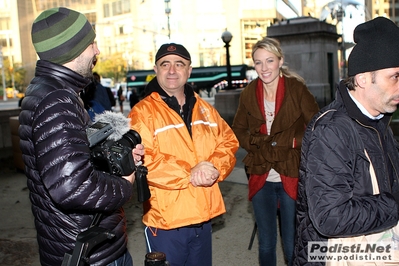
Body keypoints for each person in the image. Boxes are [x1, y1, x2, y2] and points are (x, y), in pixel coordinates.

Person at [18, 7, 144, 266]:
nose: (97, 50)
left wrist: (114, 158)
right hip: (91, 252)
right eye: (91, 43)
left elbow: (68, 162)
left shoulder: (47, 90)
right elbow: (72, 186)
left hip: (81, 242)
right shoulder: (57, 100)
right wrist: (125, 184)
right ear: (71, 49)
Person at [294, 17, 399, 266]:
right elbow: (330, 217)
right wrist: (395, 204)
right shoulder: (331, 131)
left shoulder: (380, 122)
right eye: (395, 77)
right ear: (363, 79)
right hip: (334, 256)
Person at [128, 43, 239, 266]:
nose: (172, 70)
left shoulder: (206, 108)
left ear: (189, 70)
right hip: (167, 222)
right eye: (165, 64)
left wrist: (214, 167)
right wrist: (190, 172)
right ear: (156, 69)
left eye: (179, 64)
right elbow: (144, 161)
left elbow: (228, 141)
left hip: (203, 219)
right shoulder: (142, 112)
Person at [231, 37, 319, 266]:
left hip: (291, 172)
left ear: (280, 61)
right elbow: (238, 129)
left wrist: (291, 142)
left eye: (269, 61)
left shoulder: (296, 89)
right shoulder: (249, 93)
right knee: (267, 244)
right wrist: (255, 143)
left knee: (292, 244)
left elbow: (317, 126)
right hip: (261, 175)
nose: (264, 68)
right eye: (258, 62)